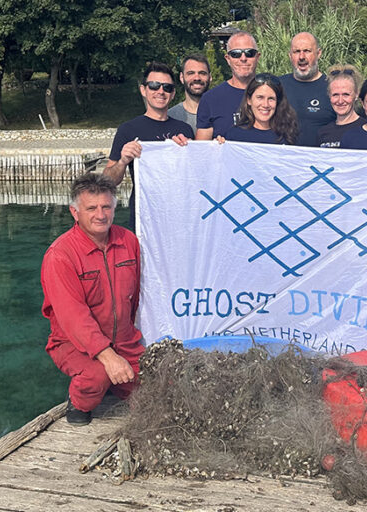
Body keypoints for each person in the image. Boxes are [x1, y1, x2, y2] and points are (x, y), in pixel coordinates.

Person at [41, 173, 144, 426]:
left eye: (106, 207)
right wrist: (108, 357)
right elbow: (73, 317)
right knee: (97, 376)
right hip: (73, 342)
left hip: (124, 339)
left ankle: (117, 383)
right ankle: (77, 403)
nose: (100, 214)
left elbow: (140, 296)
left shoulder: (128, 241)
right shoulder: (60, 255)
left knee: (161, 386)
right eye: (91, 208)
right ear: (75, 212)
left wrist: (127, 347)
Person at [103, 61, 194, 230]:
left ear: (173, 93)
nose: (161, 91)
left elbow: (196, 176)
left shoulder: (184, 130)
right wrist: (123, 161)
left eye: (167, 87)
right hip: (143, 218)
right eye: (154, 86)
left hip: (179, 217)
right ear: (143, 90)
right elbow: (108, 181)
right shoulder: (128, 129)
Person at [196, 31, 260, 140]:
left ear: (257, 57)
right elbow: (202, 150)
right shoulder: (210, 99)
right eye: (236, 54)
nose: (243, 58)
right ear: (227, 59)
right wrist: (214, 147)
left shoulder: (272, 94)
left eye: (249, 53)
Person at [279, 32, 335, 146]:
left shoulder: (333, 88)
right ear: (290, 55)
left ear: (318, 53)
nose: (301, 57)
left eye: (307, 51)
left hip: (320, 162)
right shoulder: (277, 86)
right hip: (283, 161)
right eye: (296, 52)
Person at [316, 65, 365, 148]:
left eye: (346, 94)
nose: (340, 101)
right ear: (329, 95)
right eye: (335, 95)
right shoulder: (323, 133)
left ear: (356, 95)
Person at [168, 54, 211, 134]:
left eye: (202, 73)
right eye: (191, 73)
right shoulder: (170, 116)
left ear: (210, 77)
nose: (197, 78)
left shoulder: (221, 114)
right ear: (181, 77)